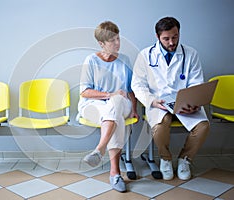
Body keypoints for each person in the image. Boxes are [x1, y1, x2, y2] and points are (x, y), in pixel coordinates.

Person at [131, 17, 209, 181]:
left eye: (175, 37)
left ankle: (185, 160)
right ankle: (165, 159)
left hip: (185, 103)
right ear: (158, 36)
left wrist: (194, 102)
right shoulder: (145, 55)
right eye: (166, 38)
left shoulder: (191, 54)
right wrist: (152, 101)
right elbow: (137, 85)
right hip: (159, 103)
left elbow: (196, 82)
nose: (172, 42)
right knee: (160, 127)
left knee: (203, 126)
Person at [78, 21, 139, 192]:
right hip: (94, 105)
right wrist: (110, 95)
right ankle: (115, 173)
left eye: (118, 38)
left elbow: (130, 89)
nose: (117, 43)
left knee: (117, 102)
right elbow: (85, 92)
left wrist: (134, 109)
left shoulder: (125, 60)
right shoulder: (90, 60)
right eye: (112, 40)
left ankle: (100, 149)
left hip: (121, 103)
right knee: (115, 112)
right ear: (101, 43)